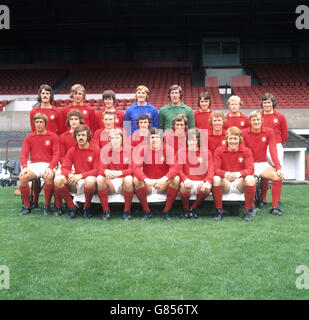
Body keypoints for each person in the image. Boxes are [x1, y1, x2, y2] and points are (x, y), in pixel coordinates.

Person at [242, 111, 284, 216]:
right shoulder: (244, 132)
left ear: (262, 121)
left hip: (262, 163)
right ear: (250, 121)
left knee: (277, 176)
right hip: (249, 164)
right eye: (253, 120)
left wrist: (278, 167)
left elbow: (273, 150)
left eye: (258, 120)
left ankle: (274, 207)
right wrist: (249, 167)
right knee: (250, 181)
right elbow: (244, 152)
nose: (256, 122)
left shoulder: (269, 131)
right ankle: (250, 205)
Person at [53, 125, 100, 219]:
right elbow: (65, 168)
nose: (81, 137)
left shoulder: (95, 149)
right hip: (76, 181)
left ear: (88, 136)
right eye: (78, 135)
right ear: (75, 137)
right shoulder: (72, 150)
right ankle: (72, 207)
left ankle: (87, 208)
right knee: (58, 179)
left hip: (90, 182)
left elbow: (97, 170)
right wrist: (70, 174)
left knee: (90, 180)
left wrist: (81, 176)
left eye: (83, 135)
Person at [133, 128, 180, 220]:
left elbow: (175, 168)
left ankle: (167, 210)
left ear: (161, 138)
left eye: (157, 137)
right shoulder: (143, 149)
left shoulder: (168, 149)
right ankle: (146, 211)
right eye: (152, 137)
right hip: (148, 184)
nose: (154, 140)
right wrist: (146, 180)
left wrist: (163, 179)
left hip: (163, 184)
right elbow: (136, 168)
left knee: (176, 179)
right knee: (136, 179)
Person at [18, 113, 60, 216]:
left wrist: (50, 167)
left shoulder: (53, 136)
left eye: (41, 122)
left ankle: (47, 206)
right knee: (23, 177)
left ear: (45, 123)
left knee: (48, 176)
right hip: (34, 165)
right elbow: (24, 154)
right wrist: (24, 167)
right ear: (34, 124)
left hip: (48, 164)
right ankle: (27, 206)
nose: (39, 124)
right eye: (36, 122)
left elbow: (56, 155)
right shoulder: (29, 137)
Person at [29, 84, 63, 208]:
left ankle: (54, 202)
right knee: (36, 175)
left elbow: (62, 129)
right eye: (43, 93)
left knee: (52, 174)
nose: (45, 95)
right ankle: (35, 200)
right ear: (39, 95)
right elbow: (33, 131)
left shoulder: (57, 111)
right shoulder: (34, 111)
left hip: (54, 147)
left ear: (51, 95)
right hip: (39, 147)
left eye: (47, 93)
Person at [212, 126, 256, 222]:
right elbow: (215, 169)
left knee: (250, 179)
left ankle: (247, 210)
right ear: (226, 139)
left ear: (239, 139)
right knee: (216, 179)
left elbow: (251, 169)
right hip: (226, 183)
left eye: (235, 139)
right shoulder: (219, 151)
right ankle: (219, 210)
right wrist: (225, 173)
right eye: (230, 138)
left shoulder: (246, 151)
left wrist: (239, 173)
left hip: (239, 182)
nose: (232, 141)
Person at [97, 129, 134, 221]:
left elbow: (133, 169)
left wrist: (120, 173)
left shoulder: (131, 150)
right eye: (112, 138)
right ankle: (106, 211)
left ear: (122, 139)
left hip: (123, 181)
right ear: (109, 140)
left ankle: (127, 211)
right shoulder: (105, 150)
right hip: (110, 182)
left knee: (129, 178)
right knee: (100, 178)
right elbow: (100, 168)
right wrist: (105, 172)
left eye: (117, 138)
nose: (115, 140)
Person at [259, 93, 288, 205]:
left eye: (269, 102)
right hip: (262, 146)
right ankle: (263, 199)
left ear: (273, 103)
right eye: (265, 102)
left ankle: (277, 199)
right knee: (263, 173)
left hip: (276, 146)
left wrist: (277, 143)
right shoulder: (258, 116)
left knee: (278, 171)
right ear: (262, 103)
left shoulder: (280, 117)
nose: (267, 104)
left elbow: (285, 133)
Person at [178, 128, 214, 219]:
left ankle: (193, 208)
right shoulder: (181, 152)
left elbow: (211, 169)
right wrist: (185, 179)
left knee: (206, 189)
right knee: (183, 186)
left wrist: (207, 181)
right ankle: (185, 209)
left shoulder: (206, 152)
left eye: (194, 140)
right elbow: (179, 170)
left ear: (198, 140)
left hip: (201, 181)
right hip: (187, 180)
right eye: (189, 140)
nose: (191, 142)